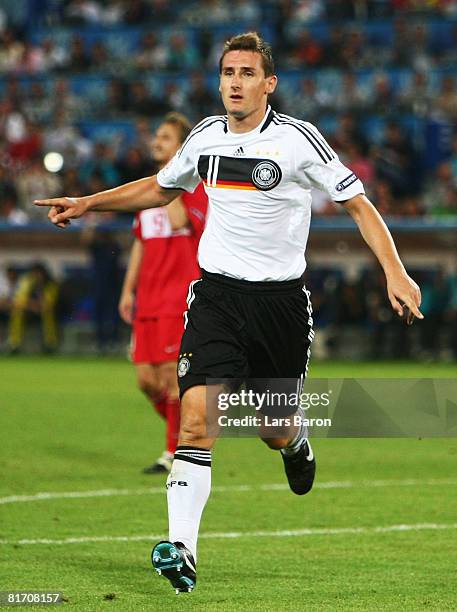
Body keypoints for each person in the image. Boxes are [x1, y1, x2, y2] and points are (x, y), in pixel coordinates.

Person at [35, 32, 423, 594]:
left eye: (246, 73)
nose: (234, 82)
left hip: (281, 305)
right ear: (218, 81)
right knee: (196, 419)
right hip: (216, 297)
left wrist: (394, 270)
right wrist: (90, 202)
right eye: (227, 73)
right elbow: (159, 188)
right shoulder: (205, 138)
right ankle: (182, 550)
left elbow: (358, 205)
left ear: (269, 84)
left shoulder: (297, 142)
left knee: (272, 427)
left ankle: (294, 441)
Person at [118, 113, 208, 474]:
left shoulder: (193, 187)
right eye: (157, 135)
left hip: (178, 294)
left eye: (166, 137)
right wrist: (128, 291)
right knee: (145, 380)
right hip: (148, 299)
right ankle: (190, 429)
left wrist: (175, 174)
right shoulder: (147, 190)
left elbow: (179, 222)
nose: (156, 141)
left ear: (182, 147)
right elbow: (141, 241)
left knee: (172, 376)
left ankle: (174, 451)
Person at [7, 262, 59, 353]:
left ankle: (50, 344)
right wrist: (33, 306)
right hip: (29, 310)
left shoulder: (51, 284)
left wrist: (38, 305)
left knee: (48, 313)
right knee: (17, 312)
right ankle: (14, 344)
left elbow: (48, 303)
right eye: (35, 274)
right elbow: (20, 300)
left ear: (44, 274)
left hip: (47, 311)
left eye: (39, 274)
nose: (37, 276)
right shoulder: (27, 281)